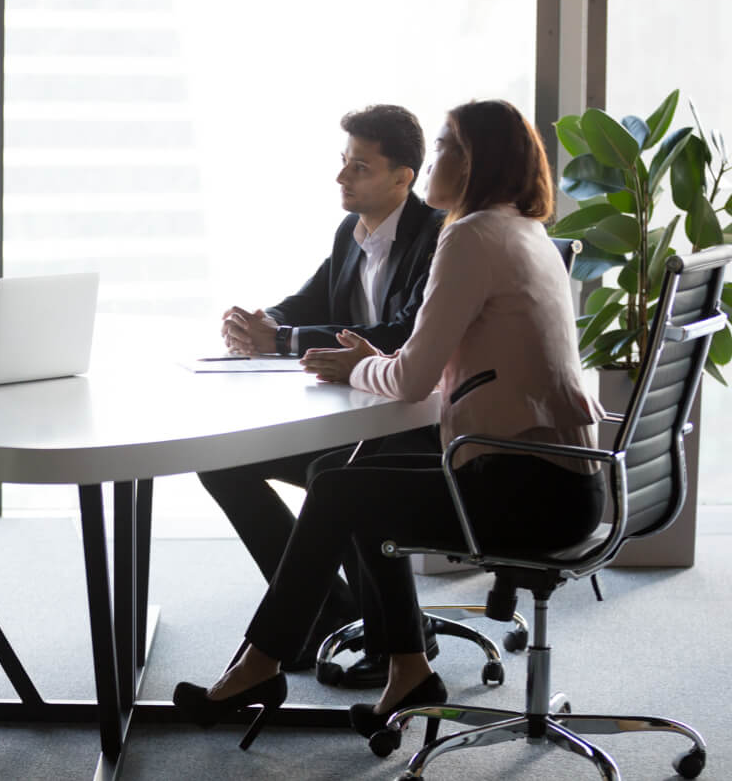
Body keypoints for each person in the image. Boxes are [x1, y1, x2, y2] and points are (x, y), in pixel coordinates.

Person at [173, 98, 606, 746]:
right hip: (559, 482)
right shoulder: (519, 229)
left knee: (343, 488)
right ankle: (407, 669)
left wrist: (355, 368)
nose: (437, 159)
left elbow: (409, 377)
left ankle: (259, 665)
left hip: (524, 491)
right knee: (346, 473)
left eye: (450, 147)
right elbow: (414, 362)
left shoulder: (469, 236)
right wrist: (365, 359)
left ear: (481, 163)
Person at [198, 104, 443, 683]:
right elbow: (310, 303)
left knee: (337, 475)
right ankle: (325, 611)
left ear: (402, 177)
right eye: (343, 163)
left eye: (359, 167)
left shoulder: (437, 237)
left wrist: (281, 339)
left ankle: (394, 641)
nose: (342, 178)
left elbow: (403, 333)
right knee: (221, 462)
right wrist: (261, 323)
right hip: (359, 417)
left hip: (416, 428)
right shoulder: (351, 232)